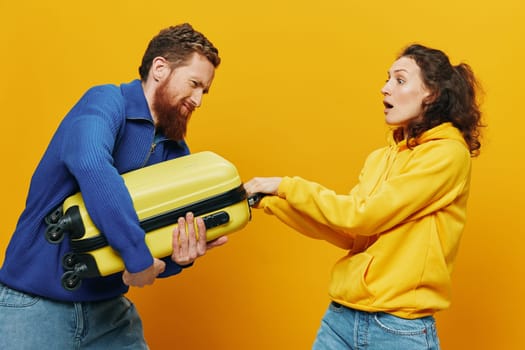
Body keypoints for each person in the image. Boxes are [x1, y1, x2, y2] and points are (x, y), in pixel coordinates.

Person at [0, 23, 227, 349]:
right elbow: (90, 162)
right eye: (194, 84)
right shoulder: (106, 102)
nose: (198, 100)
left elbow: (153, 256)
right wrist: (137, 257)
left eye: (203, 91)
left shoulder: (176, 151)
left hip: (109, 314)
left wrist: (180, 257)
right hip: (34, 306)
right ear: (160, 69)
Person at [244, 44, 483, 349]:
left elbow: (362, 215)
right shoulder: (380, 158)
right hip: (342, 317)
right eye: (387, 79)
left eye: (399, 80)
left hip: (397, 328)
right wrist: (269, 201)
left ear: (432, 93)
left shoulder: (447, 155)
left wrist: (285, 185)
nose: (385, 89)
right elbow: (351, 232)